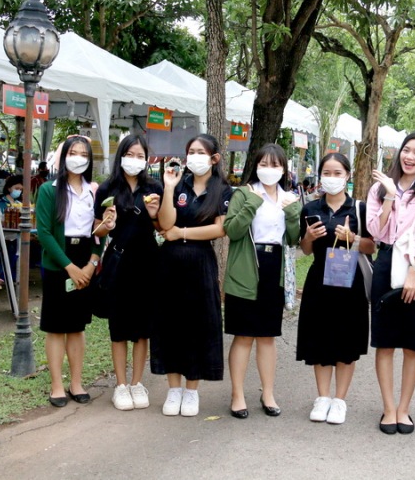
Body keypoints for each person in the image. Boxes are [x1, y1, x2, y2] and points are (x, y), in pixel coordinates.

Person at [367, 132, 415, 435]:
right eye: (406, 150)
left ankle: (404, 408)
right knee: (385, 342)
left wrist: (414, 271)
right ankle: (388, 408)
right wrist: (389, 195)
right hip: (386, 264)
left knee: (413, 344)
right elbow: (375, 232)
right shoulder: (379, 188)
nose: (410, 157)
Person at [152, 133, 233, 417]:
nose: (194, 157)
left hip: (200, 262)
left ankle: (191, 390)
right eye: (191, 152)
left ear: (214, 158)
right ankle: (173, 389)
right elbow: (166, 223)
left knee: (199, 324)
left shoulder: (223, 190)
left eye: (200, 152)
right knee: (170, 323)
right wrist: (169, 188)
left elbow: (220, 229)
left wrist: (182, 233)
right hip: (170, 263)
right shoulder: (179, 184)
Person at [223, 144, 301, 419]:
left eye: (275, 165)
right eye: (264, 164)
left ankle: (268, 393)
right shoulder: (244, 193)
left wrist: (293, 214)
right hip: (246, 267)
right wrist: (252, 204)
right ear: (255, 166)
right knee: (244, 335)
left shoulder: (290, 198)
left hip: (274, 267)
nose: (269, 169)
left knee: (267, 336)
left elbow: (294, 238)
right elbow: (232, 230)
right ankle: (237, 395)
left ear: (284, 169)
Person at [297, 153, 375, 425]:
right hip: (319, 280)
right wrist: (308, 237)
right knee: (319, 339)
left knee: (346, 341)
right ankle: (322, 397)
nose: (332, 178)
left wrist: (353, 238)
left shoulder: (359, 209)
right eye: (327, 173)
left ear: (347, 176)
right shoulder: (310, 208)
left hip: (349, 281)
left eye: (337, 173)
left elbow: (372, 246)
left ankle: (340, 400)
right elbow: (306, 250)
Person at [93, 135, 163, 411]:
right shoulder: (107, 188)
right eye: (130, 155)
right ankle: (121, 385)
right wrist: (107, 224)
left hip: (148, 260)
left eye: (140, 156)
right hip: (118, 261)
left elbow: (162, 227)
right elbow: (97, 231)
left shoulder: (153, 187)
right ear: (121, 156)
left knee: (143, 328)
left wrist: (155, 214)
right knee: (119, 327)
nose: (135, 160)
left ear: (146, 159)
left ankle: (137, 383)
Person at [36, 135, 103, 408]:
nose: (78, 158)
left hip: (85, 260)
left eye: (84, 154)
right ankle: (56, 385)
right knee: (55, 327)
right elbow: (44, 232)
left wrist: (91, 263)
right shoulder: (49, 190)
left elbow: (100, 231)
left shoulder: (94, 191)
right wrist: (70, 267)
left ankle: (76, 383)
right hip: (58, 263)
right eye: (73, 153)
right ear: (63, 157)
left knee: (76, 327)